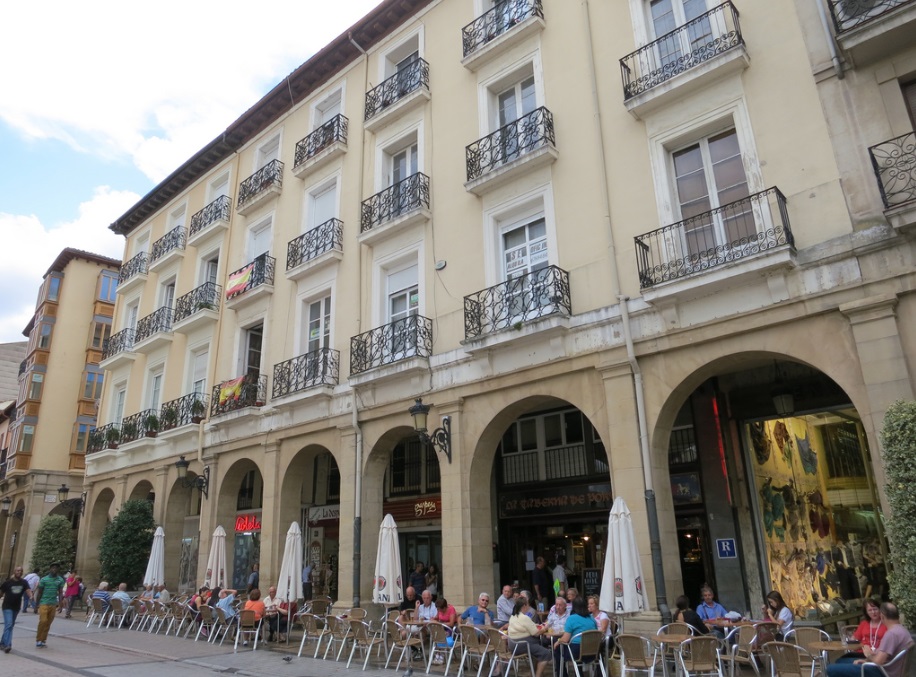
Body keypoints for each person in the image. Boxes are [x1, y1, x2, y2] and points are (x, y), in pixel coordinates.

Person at [826, 603, 913, 677]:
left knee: (830, 669)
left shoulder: (891, 634)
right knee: (840, 661)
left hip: (883, 672)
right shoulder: (903, 630)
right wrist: (865, 660)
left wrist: (868, 655)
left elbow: (879, 661)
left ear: (882, 616)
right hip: (890, 669)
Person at [506, 598, 552, 677]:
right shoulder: (524, 617)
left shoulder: (513, 616)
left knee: (537, 651)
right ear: (524, 606)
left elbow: (527, 626)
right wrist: (545, 627)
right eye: (528, 605)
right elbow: (536, 633)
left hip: (512, 644)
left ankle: (533, 673)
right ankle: (538, 675)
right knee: (546, 654)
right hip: (522, 644)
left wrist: (536, 626)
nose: (529, 607)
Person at [553, 597, 597, 674]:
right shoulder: (592, 618)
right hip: (593, 651)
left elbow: (565, 639)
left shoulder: (571, 618)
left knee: (558, 649)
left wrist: (558, 641)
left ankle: (562, 675)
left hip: (577, 652)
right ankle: (579, 674)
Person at [835, 599, 887, 663]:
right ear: (866, 612)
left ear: (880, 610)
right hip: (862, 653)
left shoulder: (886, 624)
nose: (873, 612)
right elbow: (854, 639)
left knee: (841, 663)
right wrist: (850, 638)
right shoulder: (864, 623)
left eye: (875, 609)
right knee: (839, 661)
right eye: (870, 610)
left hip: (878, 655)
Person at [35, 562, 65, 648]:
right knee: (43, 621)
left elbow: (60, 592)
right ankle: (38, 639)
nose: (54, 569)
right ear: (50, 569)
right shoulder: (44, 579)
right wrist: (36, 604)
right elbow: (40, 592)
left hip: (53, 603)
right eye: (53, 568)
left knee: (48, 623)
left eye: (56, 568)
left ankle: (43, 640)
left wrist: (60, 604)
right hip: (44, 602)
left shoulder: (60, 580)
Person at [0, 566, 30, 653]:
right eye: (17, 570)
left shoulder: (24, 582)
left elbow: (28, 590)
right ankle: (8, 645)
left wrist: (31, 596)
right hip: (7, 607)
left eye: (20, 571)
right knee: (9, 624)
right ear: (14, 571)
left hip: (16, 607)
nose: (19, 572)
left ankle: (2, 642)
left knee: (10, 625)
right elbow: (1, 593)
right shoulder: (8, 582)